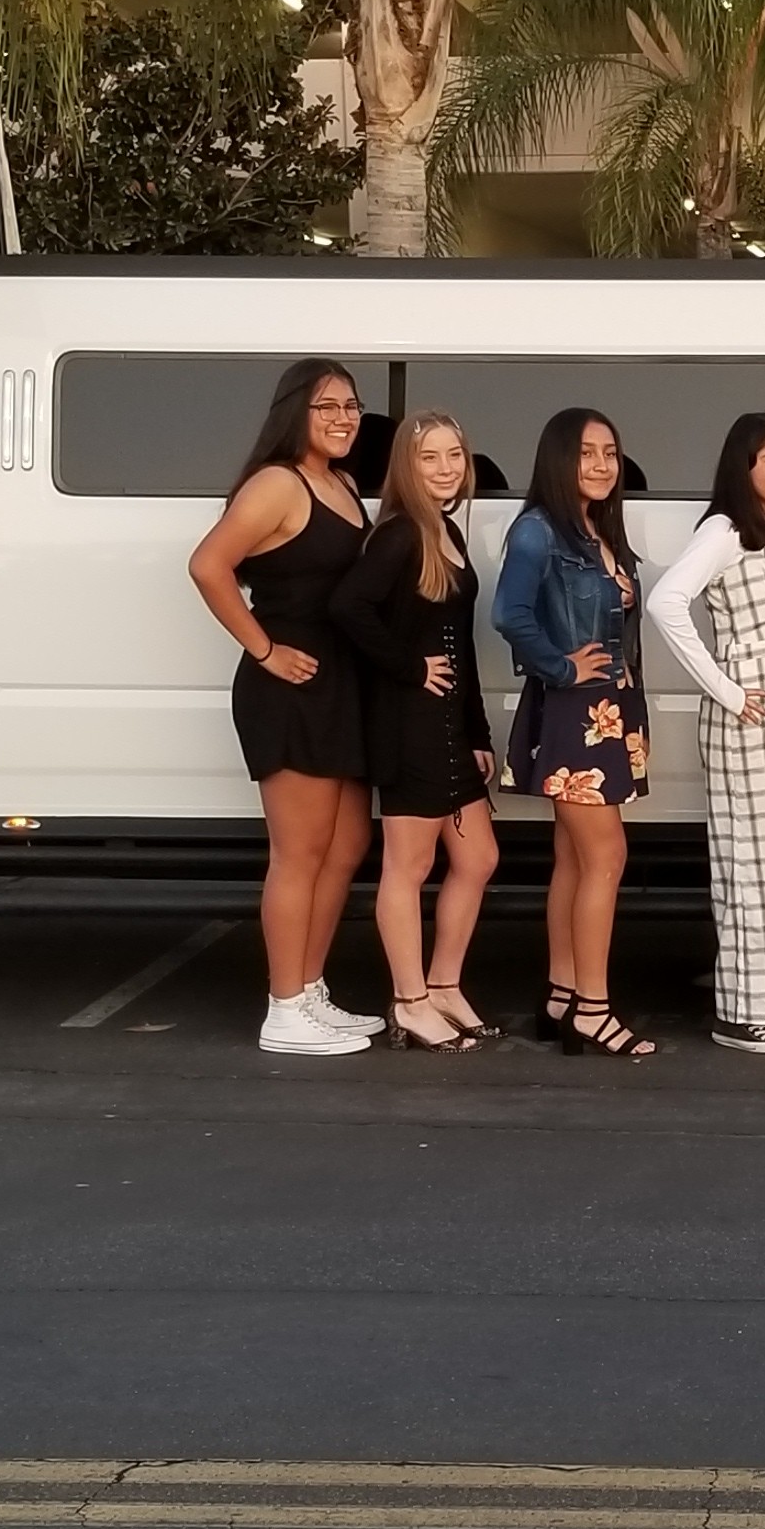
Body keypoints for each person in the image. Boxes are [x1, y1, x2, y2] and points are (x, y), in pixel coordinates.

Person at [185, 358, 377, 1057]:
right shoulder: (277, 483)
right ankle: (284, 1008)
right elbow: (207, 565)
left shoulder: (343, 483)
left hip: (341, 686)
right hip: (290, 689)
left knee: (347, 846)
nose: (343, 419)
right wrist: (264, 650)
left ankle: (311, 988)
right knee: (299, 854)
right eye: (328, 407)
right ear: (295, 411)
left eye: (351, 406)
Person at [647, 413, 765, 1054]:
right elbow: (665, 602)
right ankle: (743, 1012)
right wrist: (725, 688)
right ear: (741, 467)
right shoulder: (723, 530)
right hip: (751, 710)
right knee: (753, 859)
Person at [331, 411, 500, 1053]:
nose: (446, 468)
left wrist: (478, 731)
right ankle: (409, 1002)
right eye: (430, 457)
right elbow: (348, 607)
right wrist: (408, 666)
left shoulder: (445, 529)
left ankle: (444, 986)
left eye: (454, 455)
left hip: (450, 725)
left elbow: (461, 642)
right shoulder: (401, 533)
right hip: (409, 724)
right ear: (407, 465)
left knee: (478, 858)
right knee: (410, 865)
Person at [494, 408, 656, 1060]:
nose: (601, 464)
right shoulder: (539, 530)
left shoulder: (598, 528)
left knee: (574, 857)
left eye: (610, 452)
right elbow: (509, 614)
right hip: (576, 713)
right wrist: (561, 667)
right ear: (559, 459)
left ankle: (562, 994)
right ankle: (593, 1008)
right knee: (606, 857)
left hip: (610, 709)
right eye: (587, 452)